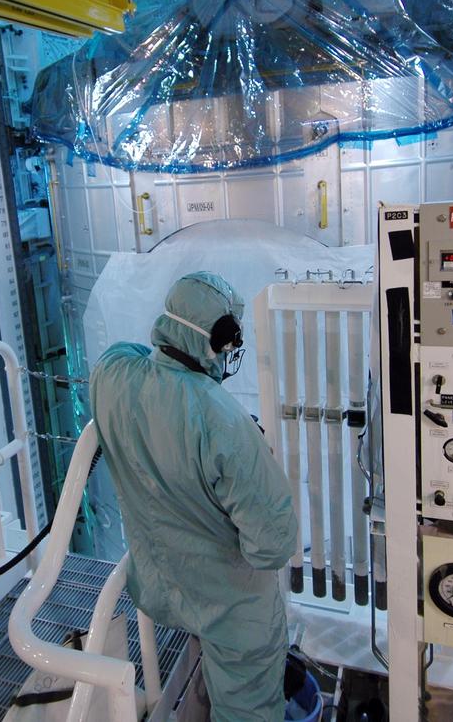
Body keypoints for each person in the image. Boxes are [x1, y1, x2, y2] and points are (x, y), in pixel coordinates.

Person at [89, 272, 298, 721]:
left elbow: (136, 354)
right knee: (248, 705)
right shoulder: (227, 423)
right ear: (219, 341)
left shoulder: (112, 374)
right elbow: (273, 546)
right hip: (229, 609)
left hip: (157, 588)